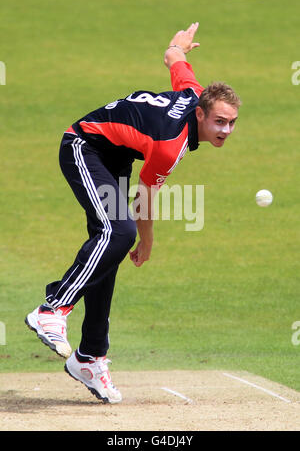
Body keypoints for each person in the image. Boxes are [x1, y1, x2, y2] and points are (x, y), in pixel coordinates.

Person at [25, 23, 241, 404]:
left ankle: (90, 357)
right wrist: (148, 241)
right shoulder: (170, 145)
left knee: (108, 250)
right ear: (202, 114)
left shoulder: (192, 91)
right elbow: (145, 199)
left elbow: (174, 57)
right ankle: (52, 308)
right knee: (120, 234)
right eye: (219, 122)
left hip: (114, 155)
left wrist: (180, 43)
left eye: (232, 123)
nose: (226, 130)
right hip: (84, 146)